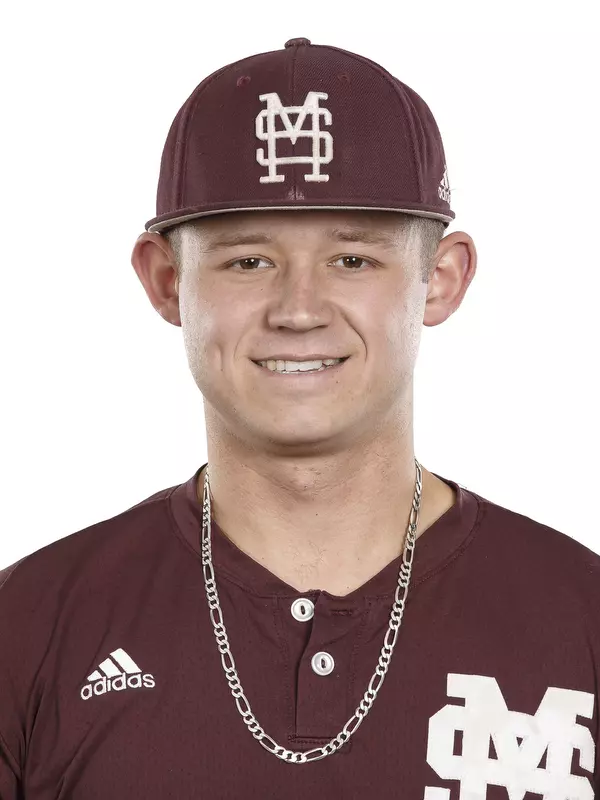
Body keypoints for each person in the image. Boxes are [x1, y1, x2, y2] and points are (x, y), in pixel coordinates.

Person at [1, 37, 598, 799]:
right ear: (165, 281)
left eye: (354, 260)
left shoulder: (580, 619)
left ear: (440, 279)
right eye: (248, 261)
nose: (298, 310)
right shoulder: (28, 626)